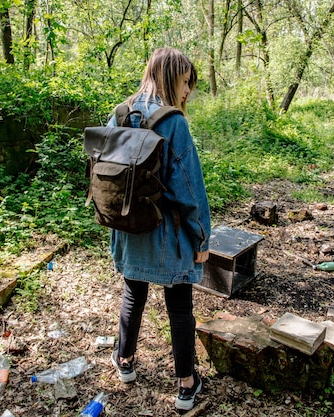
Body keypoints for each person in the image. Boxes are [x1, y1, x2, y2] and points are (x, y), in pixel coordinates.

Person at [107, 47, 211, 412]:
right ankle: (186, 384)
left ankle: (124, 361)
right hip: (167, 234)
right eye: (185, 83)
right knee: (179, 304)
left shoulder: (119, 114)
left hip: (128, 229)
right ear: (171, 77)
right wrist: (202, 237)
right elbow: (189, 188)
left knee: (133, 294)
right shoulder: (174, 123)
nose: (187, 93)